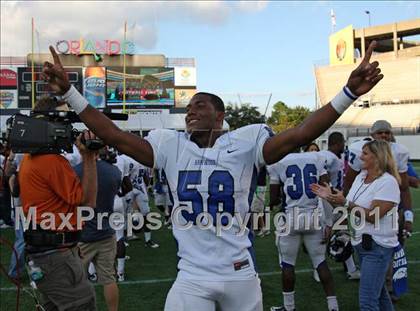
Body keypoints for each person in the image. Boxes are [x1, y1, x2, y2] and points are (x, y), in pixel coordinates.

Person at [43, 42, 382, 311]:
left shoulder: (247, 142)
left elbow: (298, 134)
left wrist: (347, 94)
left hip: (239, 271)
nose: (191, 110)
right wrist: (68, 95)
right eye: (189, 107)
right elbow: (115, 135)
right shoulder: (170, 145)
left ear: (219, 116)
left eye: (200, 105)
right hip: (192, 274)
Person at [18, 97, 98, 311]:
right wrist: (89, 157)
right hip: (55, 255)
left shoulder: (31, 157)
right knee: (83, 305)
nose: (68, 127)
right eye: (64, 120)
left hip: (47, 250)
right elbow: (88, 203)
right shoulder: (51, 160)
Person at [311, 140, 401, 311]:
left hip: (378, 247)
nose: (360, 156)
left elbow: (373, 216)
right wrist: (329, 197)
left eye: (365, 153)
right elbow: (346, 207)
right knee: (380, 296)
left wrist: (345, 202)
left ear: (378, 157)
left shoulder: (387, 182)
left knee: (367, 302)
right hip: (362, 244)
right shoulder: (361, 177)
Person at [268, 151, 338, 311]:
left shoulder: (278, 160)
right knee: (320, 262)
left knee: (287, 264)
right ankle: (333, 306)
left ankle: (289, 307)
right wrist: (329, 222)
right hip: (313, 217)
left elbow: (273, 198)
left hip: (290, 218)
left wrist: (277, 200)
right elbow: (327, 192)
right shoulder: (317, 158)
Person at [344, 120, 413, 243]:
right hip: (366, 203)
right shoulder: (359, 150)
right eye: (380, 132)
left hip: (389, 202)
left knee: (392, 244)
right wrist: (347, 209)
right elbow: (349, 182)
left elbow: (404, 187)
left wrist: (409, 217)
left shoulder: (400, 152)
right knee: (365, 241)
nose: (384, 135)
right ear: (372, 135)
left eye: (387, 132)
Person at [76, 146, 122, 311]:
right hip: (106, 232)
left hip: (82, 235)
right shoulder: (114, 171)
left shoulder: (75, 171)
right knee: (109, 279)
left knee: (75, 281)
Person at [318, 132, 360, 280]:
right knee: (331, 234)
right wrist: (331, 197)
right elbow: (322, 179)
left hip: (332, 199)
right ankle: (320, 269)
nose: (344, 145)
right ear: (337, 142)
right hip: (330, 200)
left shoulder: (327, 155)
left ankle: (350, 268)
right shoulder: (328, 157)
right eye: (343, 142)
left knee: (340, 234)